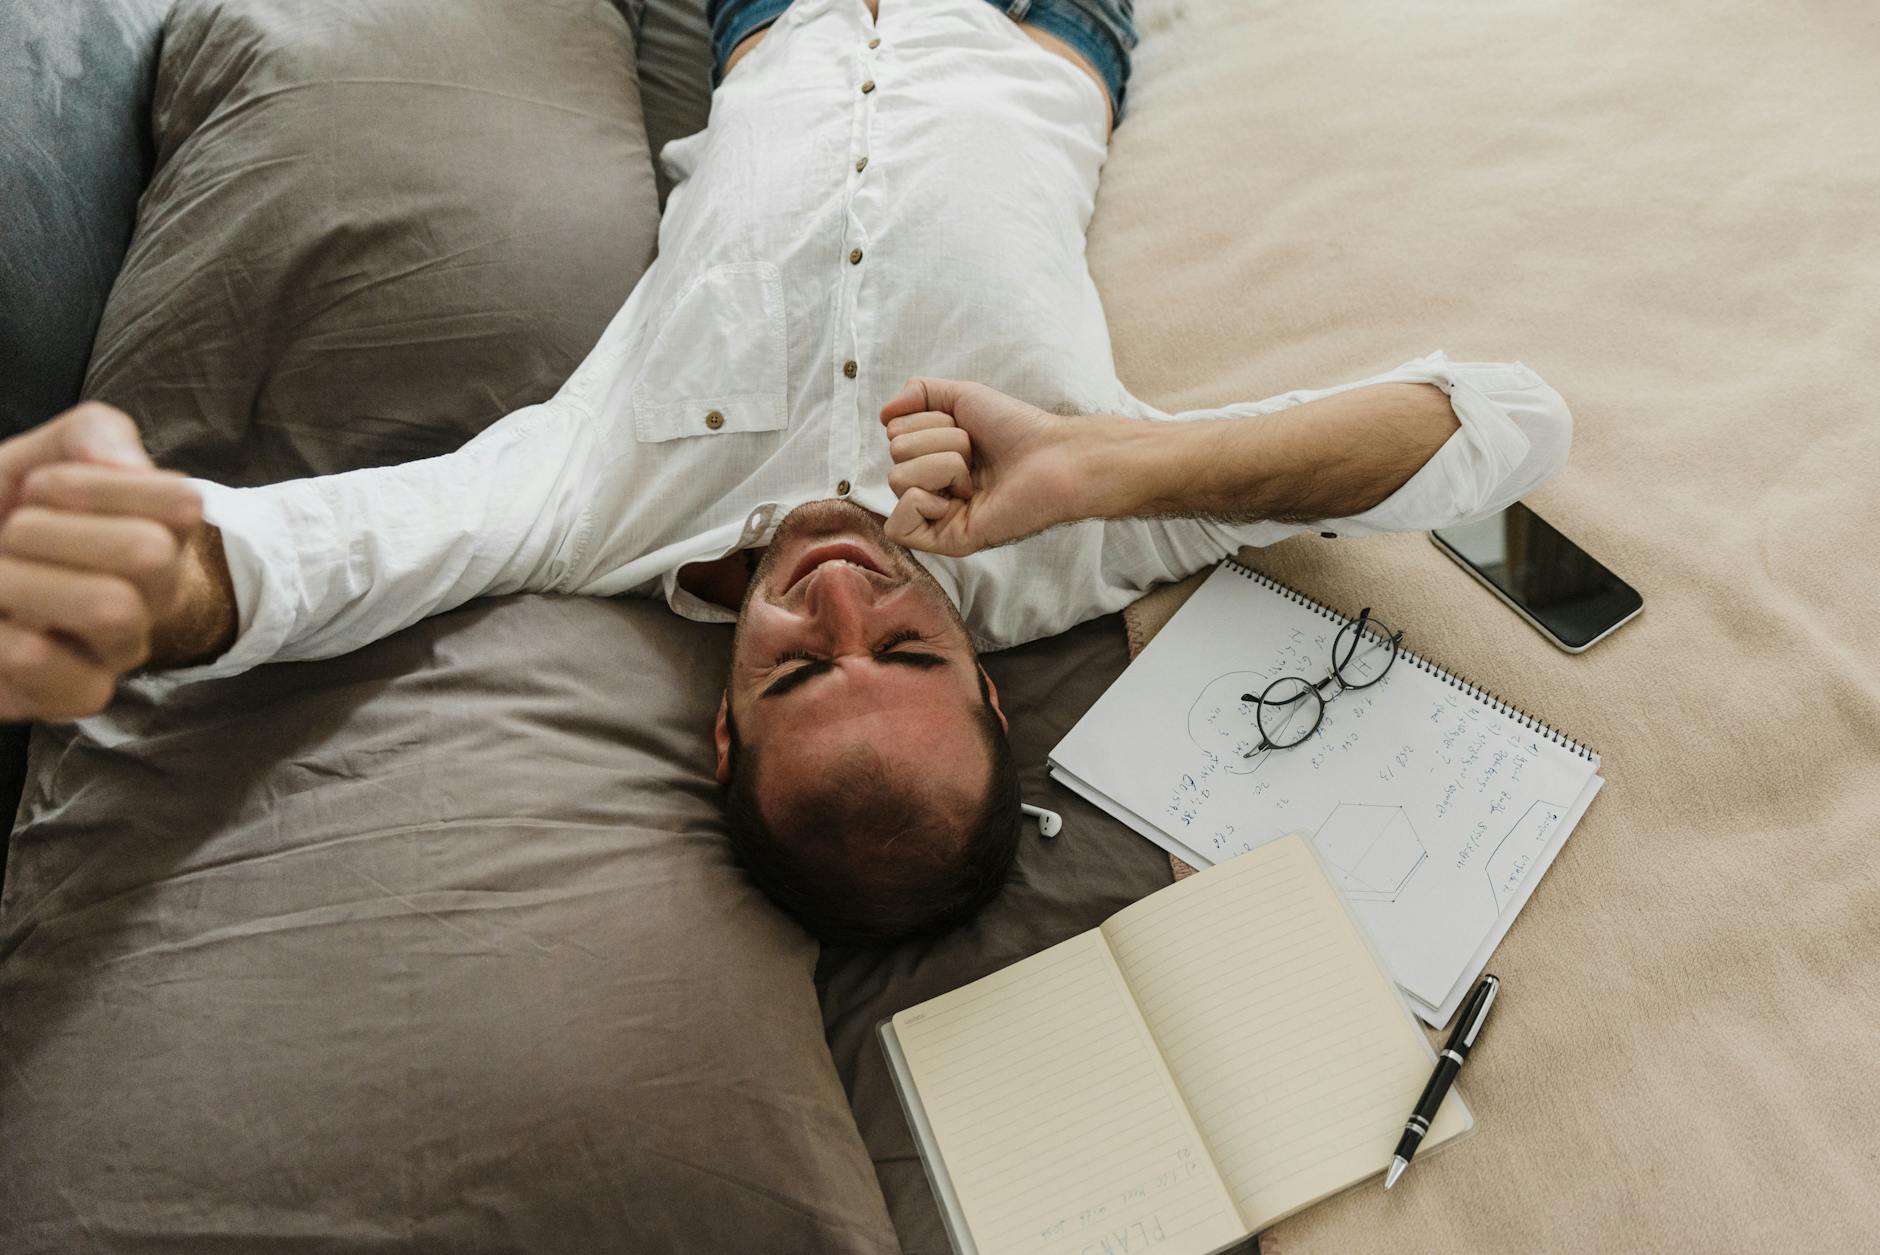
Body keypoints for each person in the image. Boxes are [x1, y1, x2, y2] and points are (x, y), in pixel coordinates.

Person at [0, 0, 1571, 943]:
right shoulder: (1075, 546)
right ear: (992, 689)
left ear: (720, 734)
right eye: (906, 648)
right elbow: (1503, 424)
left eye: (802, 676)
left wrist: (166, 586)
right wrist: (1103, 459)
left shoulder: (598, 503)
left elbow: (358, 545)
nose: (838, 602)